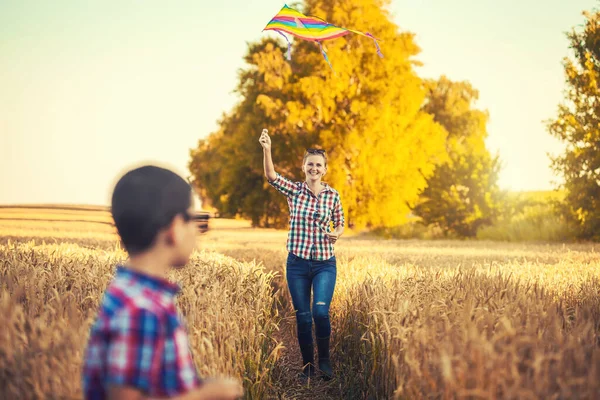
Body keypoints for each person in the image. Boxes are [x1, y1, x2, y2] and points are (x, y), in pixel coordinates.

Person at [82, 164, 244, 400]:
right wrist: (205, 395)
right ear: (175, 228)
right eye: (194, 220)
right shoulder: (141, 308)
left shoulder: (133, 294)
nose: (198, 232)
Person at [259, 129, 345, 381]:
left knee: (320, 312)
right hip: (297, 264)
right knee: (304, 317)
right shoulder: (295, 191)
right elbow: (271, 176)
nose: (314, 168)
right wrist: (267, 149)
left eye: (319, 165)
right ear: (304, 166)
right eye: (310, 164)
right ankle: (308, 365)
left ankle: (325, 360)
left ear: (325, 169)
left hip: (324, 264)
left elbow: (340, 222)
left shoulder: (333, 195)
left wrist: (336, 233)